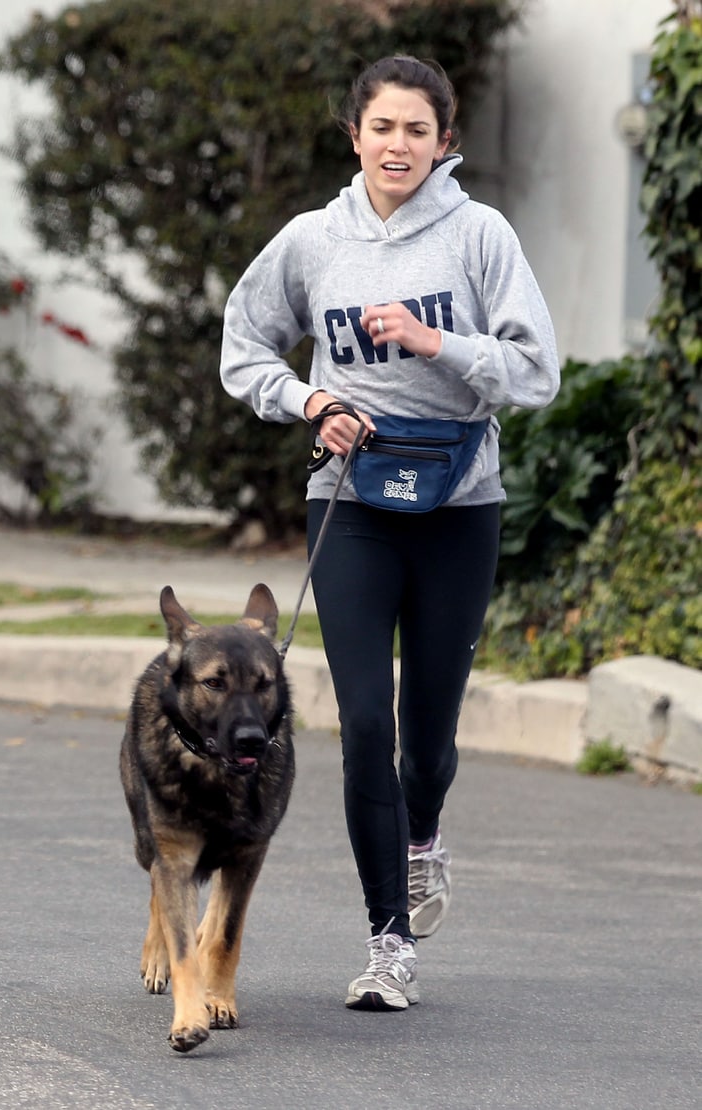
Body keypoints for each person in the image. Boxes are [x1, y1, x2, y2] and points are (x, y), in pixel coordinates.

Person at [220, 55, 560, 1011]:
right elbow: (244, 344)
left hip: (460, 506)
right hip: (352, 499)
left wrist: (432, 341)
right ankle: (387, 944)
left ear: (444, 141)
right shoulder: (313, 240)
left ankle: (423, 835)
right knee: (365, 722)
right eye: (383, 128)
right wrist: (308, 398)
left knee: (426, 742)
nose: (398, 145)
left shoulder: (481, 236)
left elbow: (537, 374)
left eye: (418, 130)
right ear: (355, 135)